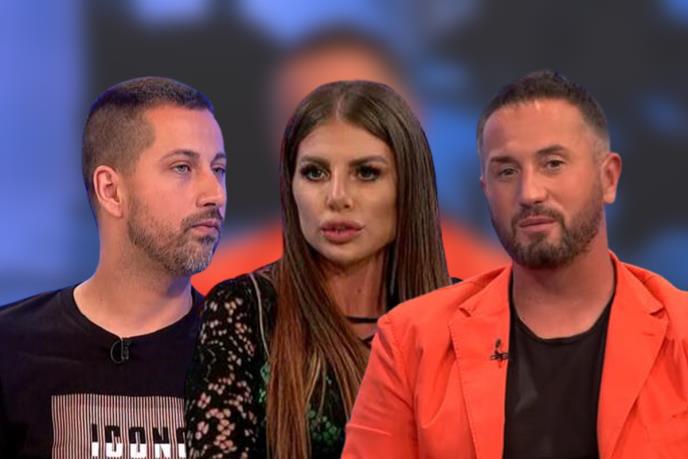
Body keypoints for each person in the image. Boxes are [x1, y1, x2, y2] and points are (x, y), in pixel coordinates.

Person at [342, 70, 688, 458]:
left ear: (608, 178)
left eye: (553, 164)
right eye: (506, 171)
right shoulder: (411, 341)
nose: (529, 193)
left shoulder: (682, 332)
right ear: (486, 190)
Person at [184, 80, 452, 458]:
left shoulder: (463, 316)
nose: (337, 197)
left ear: (409, 186)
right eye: (315, 173)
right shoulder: (242, 310)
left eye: (366, 173)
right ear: (289, 186)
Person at [0, 77, 227, 458]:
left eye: (218, 169)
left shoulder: (243, 354)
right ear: (111, 190)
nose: (214, 194)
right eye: (183, 167)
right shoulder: (11, 346)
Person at [190, 29, 506, 294]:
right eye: (312, 122)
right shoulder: (215, 293)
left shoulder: (496, 287)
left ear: (416, 127)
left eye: (366, 118)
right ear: (278, 142)